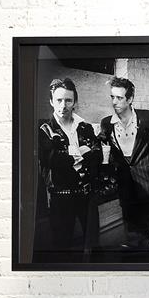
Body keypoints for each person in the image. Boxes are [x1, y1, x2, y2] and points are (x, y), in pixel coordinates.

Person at [36, 77, 102, 249]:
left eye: (68, 100)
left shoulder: (84, 127)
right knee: (62, 246)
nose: (63, 105)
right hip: (61, 197)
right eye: (59, 100)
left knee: (93, 244)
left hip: (87, 196)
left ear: (75, 102)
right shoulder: (45, 130)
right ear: (51, 101)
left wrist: (71, 156)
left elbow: (98, 154)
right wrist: (81, 152)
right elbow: (51, 159)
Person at [98, 77, 149, 246]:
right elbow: (102, 143)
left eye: (119, 98)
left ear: (130, 99)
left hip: (147, 181)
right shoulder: (107, 123)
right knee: (131, 231)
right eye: (112, 97)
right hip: (125, 183)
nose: (114, 102)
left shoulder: (146, 117)